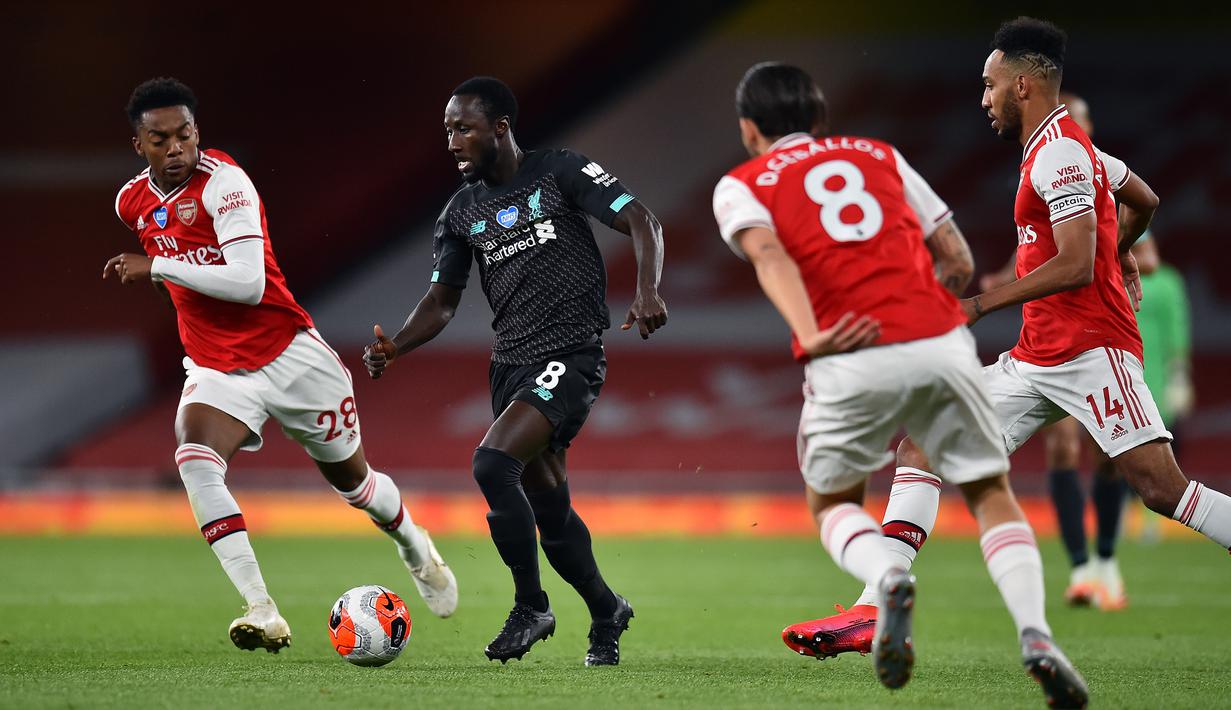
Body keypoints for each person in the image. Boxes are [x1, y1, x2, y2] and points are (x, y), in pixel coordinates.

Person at [808, 16, 1231, 701]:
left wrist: (982, 303)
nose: (982, 98)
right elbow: (1142, 198)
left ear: (1023, 85)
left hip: (1094, 351)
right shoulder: (1066, 149)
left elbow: (1069, 263)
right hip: (1036, 356)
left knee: (1161, 490)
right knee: (920, 449)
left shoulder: (1061, 155)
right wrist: (1121, 247)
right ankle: (870, 607)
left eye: (990, 84)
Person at [711, 61, 1085, 703]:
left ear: (750, 131)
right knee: (989, 491)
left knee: (832, 504)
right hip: (940, 340)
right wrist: (921, 322)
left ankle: (885, 583)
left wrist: (815, 330)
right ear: (820, 119)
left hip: (847, 353)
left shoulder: (741, 183)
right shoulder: (880, 155)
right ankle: (1036, 634)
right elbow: (959, 258)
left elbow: (769, 254)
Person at [105, 77, 457, 654]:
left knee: (356, 486)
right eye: (160, 139)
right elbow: (185, 263)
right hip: (217, 368)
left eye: (185, 135)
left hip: (290, 357)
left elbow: (246, 284)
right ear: (137, 145)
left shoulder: (227, 185)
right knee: (194, 460)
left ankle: (416, 547)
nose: (176, 148)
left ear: (198, 133)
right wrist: (168, 272)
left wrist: (159, 268)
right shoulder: (130, 202)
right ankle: (261, 609)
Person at [362, 77, 667, 666]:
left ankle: (531, 606)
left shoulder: (560, 172)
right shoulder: (460, 213)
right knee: (549, 506)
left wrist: (647, 289)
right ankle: (607, 611)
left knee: (492, 463)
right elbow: (442, 302)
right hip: (509, 366)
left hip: (571, 353)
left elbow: (643, 221)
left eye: (464, 128)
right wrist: (397, 346)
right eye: (448, 130)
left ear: (500, 127)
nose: (452, 141)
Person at [977, 92, 1134, 610]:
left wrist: (1123, 255)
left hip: (1092, 342)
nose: (985, 99)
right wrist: (1004, 278)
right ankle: (1083, 568)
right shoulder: (1045, 161)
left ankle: (1106, 561)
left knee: (1139, 475)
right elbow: (1034, 256)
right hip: (1045, 349)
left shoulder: (1072, 158)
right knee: (1065, 451)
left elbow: (1084, 257)